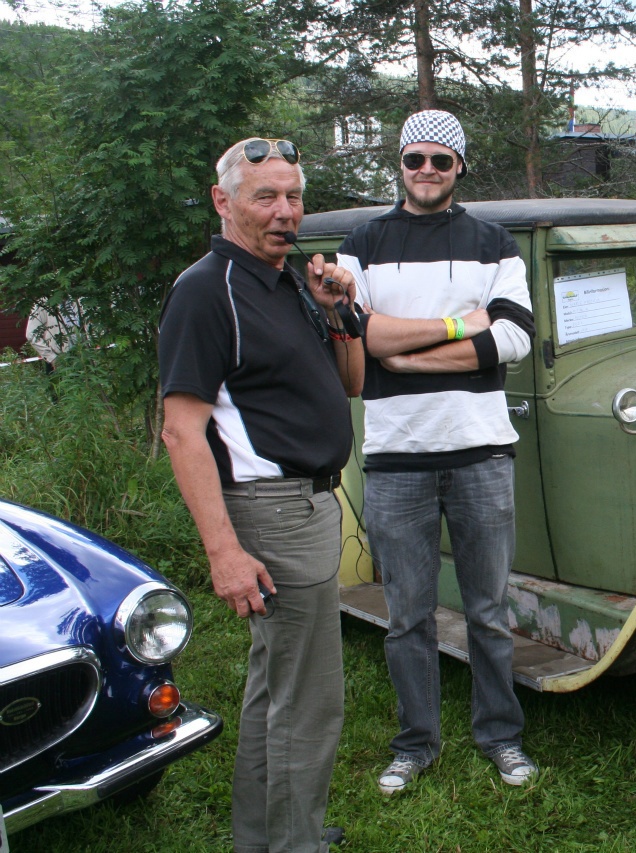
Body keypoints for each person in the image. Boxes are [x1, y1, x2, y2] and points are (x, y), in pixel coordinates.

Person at [159, 137, 363, 853]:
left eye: (294, 196)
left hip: (309, 505)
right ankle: (293, 842)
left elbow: (352, 382)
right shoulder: (206, 290)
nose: (285, 212)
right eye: (265, 197)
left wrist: (338, 310)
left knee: (277, 687)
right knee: (308, 702)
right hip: (272, 512)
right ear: (223, 202)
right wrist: (224, 553)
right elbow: (181, 431)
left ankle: (267, 834)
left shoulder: (287, 283)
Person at [336, 110, 537, 794]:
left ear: (459, 168)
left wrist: (404, 353)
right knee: (407, 616)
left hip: (482, 454)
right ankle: (415, 743)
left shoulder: (493, 243)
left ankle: (501, 736)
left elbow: (513, 338)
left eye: (440, 161)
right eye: (414, 159)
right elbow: (359, 335)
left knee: (488, 610)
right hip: (397, 457)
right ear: (400, 163)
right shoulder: (363, 243)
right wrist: (459, 328)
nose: (426, 171)